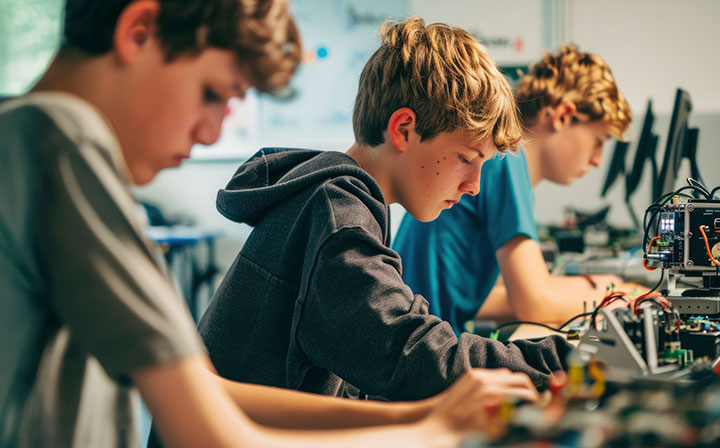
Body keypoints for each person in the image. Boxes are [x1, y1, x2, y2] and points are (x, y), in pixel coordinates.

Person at [0, 1, 539, 447]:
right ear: (137, 33)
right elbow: (213, 433)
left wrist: (416, 420)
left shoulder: (30, 146)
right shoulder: (56, 144)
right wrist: (428, 429)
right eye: (213, 93)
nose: (212, 135)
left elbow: (211, 392)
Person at [198, 17, 572, 404]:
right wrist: (574, 358)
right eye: (466, 157)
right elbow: (418, 358)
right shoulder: (338, 218)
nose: (475, 185)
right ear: (403, 130)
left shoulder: (334, 199)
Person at [393, 45, 634, 334]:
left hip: (419, 334)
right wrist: (621, 294)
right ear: (563, 116)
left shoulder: (504, 160)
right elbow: (534, 305)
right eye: (598, 140)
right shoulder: (507, 156)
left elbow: (472, 299)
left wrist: (585, 289)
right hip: (423, 348)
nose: (597, 160)